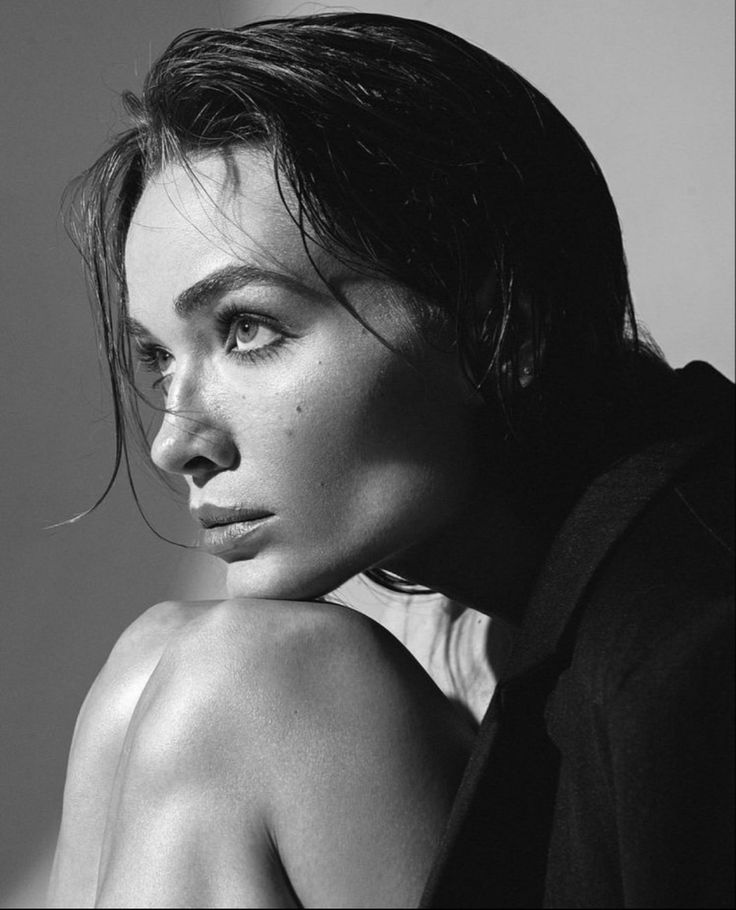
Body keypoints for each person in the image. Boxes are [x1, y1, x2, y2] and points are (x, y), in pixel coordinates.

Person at [47, 12, 734, 909]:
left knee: (254, 683)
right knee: (164, 659)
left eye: (248, 329)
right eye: (160, 359)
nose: (176, 442)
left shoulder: (687, 649)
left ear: (498, 324)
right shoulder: (491, 633)